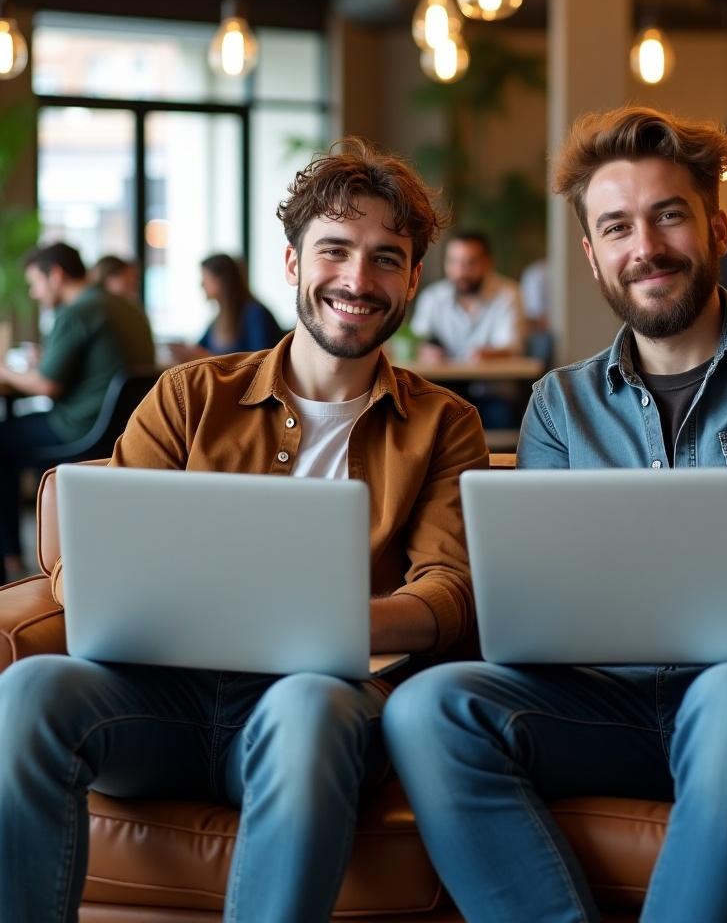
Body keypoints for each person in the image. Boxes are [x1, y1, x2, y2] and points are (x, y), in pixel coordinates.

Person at [383, 107, 727, 923]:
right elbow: (541, 589)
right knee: (428, 709)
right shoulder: (559, 406)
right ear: (593, 255)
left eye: (667, 216)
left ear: (715, 229)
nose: (644, 247)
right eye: (616, 227)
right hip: (617, 702)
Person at [0, 138, 488, 922]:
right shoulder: (190, 395)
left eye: (385, 259)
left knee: (308, 708)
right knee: (30, 688)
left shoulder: (443, 424)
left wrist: (321, 622)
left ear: (411, 279)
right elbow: (94, 553)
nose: (357, 280)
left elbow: (448, 594)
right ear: (293, 264)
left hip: (321, 703)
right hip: (160, 698)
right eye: (334, 251)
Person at [0, 242, 155, 581]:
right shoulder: (123, 305)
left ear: (55, 275)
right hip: (124, 429)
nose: (33, 292)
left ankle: (9, 559)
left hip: (80, 428)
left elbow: (46, 386)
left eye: (35, 282)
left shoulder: (77, 311)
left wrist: (6, 371)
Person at [410, 230, 524, 362]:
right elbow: (416, 340)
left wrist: (489, 354)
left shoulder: (509, 294)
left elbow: (513, 347)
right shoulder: (432, 297)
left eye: (470, 263)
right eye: (453, 262)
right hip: (440, 378)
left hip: (491, 379)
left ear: (488, 263)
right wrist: (425, 350)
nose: (460, 271)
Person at [171, 253, 283, 362]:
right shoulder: (220, 318)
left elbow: (260, 362)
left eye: (205, 277)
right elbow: (200, 348)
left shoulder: (255, 314)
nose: (201, 284)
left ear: (220, 281)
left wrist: (208, 358)